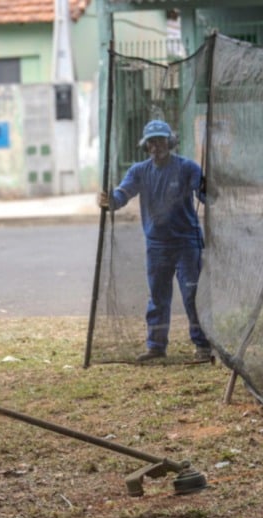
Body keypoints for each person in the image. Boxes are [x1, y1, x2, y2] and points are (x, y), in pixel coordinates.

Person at [98, 119, 211, 364]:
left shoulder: (187, 168)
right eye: (151, 141)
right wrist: (110, 200)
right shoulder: (139, 171)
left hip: (186, 243)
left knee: (192, 293)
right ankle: (156, 346)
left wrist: (209, 186)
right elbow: (122, 195)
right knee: (158, 296)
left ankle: (203, 346)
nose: (156, 146)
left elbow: (206, 194)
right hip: (157, 246)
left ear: (169, 142)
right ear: (145, 145)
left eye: (160, 140)